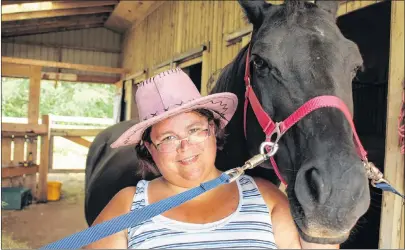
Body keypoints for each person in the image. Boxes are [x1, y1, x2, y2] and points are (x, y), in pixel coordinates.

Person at [85, 68, 339, 249]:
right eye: (168, 138)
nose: (185, 147)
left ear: (213, 131)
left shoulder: (265, 197)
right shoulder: (128, 206)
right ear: (149, 148)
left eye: (195, 130)